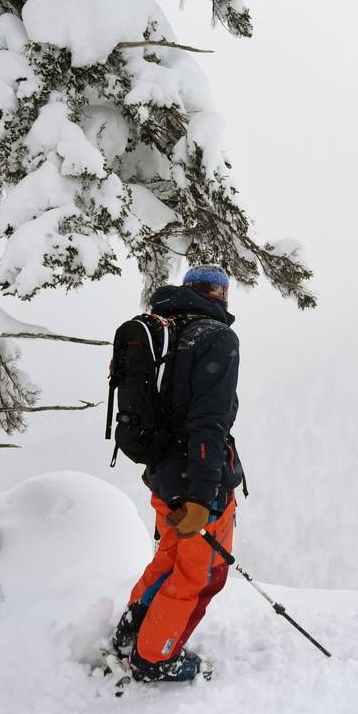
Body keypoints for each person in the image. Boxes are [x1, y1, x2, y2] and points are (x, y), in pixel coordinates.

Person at [110, 264, 243, 682]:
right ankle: (154, 658)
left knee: (169, 556)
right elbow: (209, 421)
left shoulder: (163, 331)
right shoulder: (217, 338)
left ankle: (128, 636)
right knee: (200, 575)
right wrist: (203, 497)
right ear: (219, 296)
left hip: (162, 475)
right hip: (198, 480)